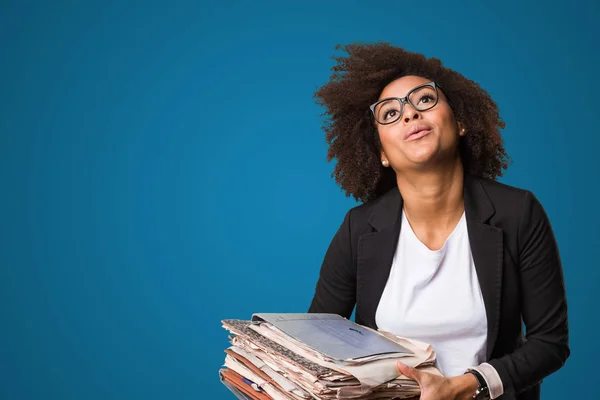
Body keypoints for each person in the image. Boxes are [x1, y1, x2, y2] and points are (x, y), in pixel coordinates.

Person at [308, 43, 569, 400]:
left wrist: (466, 386)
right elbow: (316, 343)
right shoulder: (359, 228)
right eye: (389, 113)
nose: (410, 114)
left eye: (424, 100)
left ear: (460, 122)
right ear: (382, 153)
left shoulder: (518, 212)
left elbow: (550, 343)